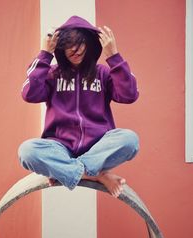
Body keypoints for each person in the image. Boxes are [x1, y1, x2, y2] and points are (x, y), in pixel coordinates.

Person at [18, 16, 139, 198]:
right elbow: (29, 94)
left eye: (81, 43)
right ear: (60, 47)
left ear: (90, 44)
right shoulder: (52, 74)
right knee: (27, 151)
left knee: (130, 140)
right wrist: (45, 54)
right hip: (60, 147)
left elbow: (129, 95)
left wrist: (113, 56)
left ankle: (67, 172)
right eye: (69, 44)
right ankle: (96, 175)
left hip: (98, 146)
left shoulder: (103, 73)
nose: (75, 50)